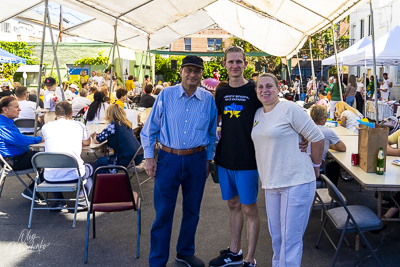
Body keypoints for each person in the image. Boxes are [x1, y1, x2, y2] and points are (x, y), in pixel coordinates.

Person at [141, 55, 217, 267]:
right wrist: (149, 158)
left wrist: (208, 160)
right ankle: (157, 261)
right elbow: (149, 130)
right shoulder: (166, 94)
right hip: (168, 159)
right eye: (188, 70)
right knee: (163, 212)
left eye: (197, 71)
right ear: (181, 72)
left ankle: (185, 252)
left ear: (202, 74)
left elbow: (212, 134)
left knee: (192, 211)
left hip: (197, 159)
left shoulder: (208, 99)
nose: (192, 74)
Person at [251, 73, 324, 267]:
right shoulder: (258, 114)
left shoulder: (289, 109)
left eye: (269, 86)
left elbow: (317, 138)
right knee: (277, 238)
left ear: (277, 89)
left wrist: (315, 168)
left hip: (297, 181)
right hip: (271, 183)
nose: (264, 90)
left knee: (290, 241)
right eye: (260, 87)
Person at [210, 46, 263, 267]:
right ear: (224, 64)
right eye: (230, 62)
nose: (234, 65)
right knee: (233, 205)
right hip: (225, 160)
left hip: (248, 161)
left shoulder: (255, 90)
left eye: (239, 62)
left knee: (250, 208)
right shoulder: (220, 91)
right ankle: (235, 252)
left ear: (245, 64)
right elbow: (213, 121)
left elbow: (274, 113)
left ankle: (249, 260)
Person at [41, 101, 93, 210]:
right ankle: (82, 198)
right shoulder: (78, 125)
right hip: (75, 175)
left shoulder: (46, 127)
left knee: (55, 165)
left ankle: (59, 200)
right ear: (71, 113)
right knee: (92, 167)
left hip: (50, 177)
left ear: (55, 113)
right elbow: (87, 142)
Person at [0, 96, 43, 201]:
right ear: (5, 110)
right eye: (16, 107)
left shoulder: (6, 122)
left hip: (18, 157)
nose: (19, 109)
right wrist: (40, 139)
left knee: (48, 158)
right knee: (50, 162)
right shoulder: (2, 125)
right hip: (13, 161)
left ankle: (36, 190)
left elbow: (20, 141)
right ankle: (32, 191)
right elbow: (21, 140)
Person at [310, 105, 346, 185]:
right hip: (317, 167)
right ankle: (330, 187)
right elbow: (343, 148)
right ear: (323, 118)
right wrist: (329, 143)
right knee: (335, 165)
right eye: (326, 117)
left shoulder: (305, 128)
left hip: (306, 166)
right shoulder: (327, 132)